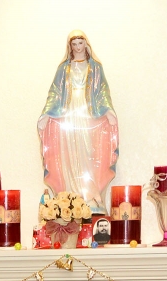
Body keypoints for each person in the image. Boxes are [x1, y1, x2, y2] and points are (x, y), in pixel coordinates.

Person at [38, 30, 118, 213]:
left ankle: (90, 194)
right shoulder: (63, 68)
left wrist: (108, 110)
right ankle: (71, 196)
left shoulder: (95, 67)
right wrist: (46, 114)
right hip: (68, 114)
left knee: (88, 153)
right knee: (70, 152)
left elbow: (103, 91)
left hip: (88, 114)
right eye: (74, 44)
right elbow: (55, 93)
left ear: (86, 44)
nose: (77, 47)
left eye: (80, 43)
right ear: (70, 47)